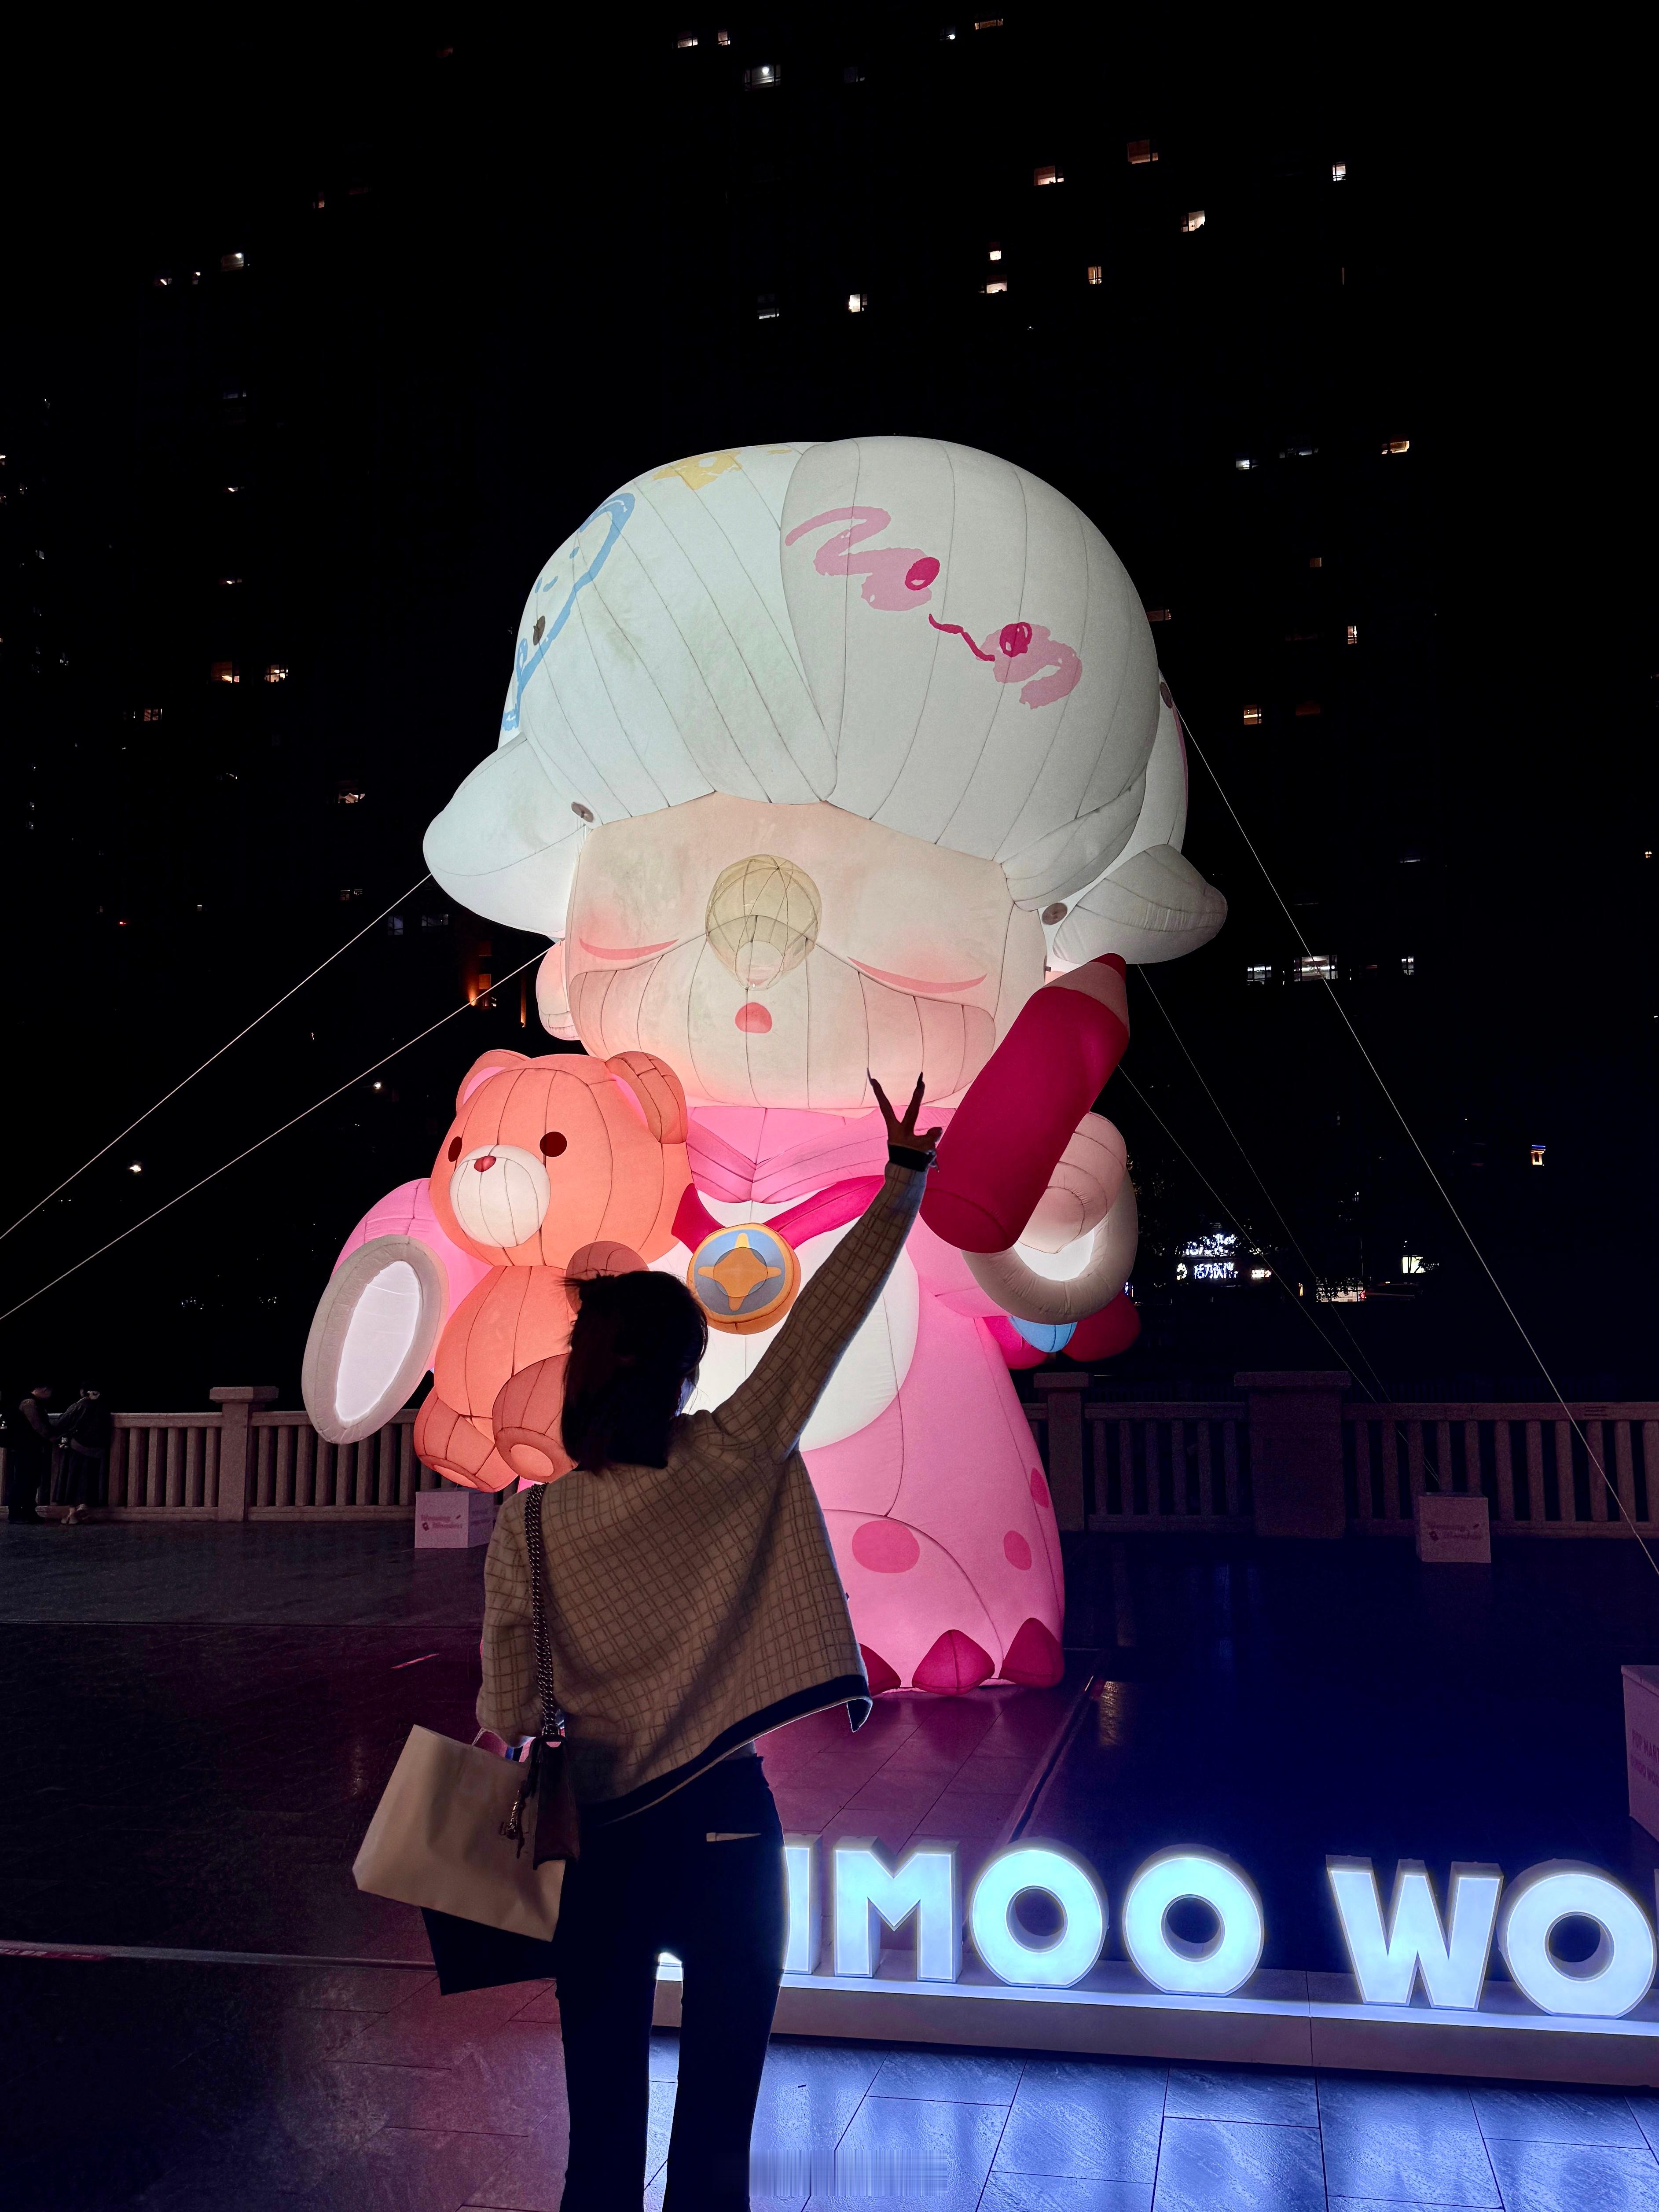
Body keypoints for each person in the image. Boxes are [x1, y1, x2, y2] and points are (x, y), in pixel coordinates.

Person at [477, 1073, 941, 2209]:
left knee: (599, 2144)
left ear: (583, 1379)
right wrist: (901, 1179)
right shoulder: (734, 1454)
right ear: (688, 1370)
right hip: (729, 1827)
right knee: (718, 2140)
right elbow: (824, 1323)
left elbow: (504, 1712)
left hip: (596, 1845)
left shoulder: (530, 1524)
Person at [53, 1385, 112, 1522]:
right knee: (89, 1478)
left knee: (71, 1478)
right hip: (96, 1451)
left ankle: (72, 1512)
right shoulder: (104, 1408)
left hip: (76, 1447)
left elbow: (62, 1423)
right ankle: (84, 1507)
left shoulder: (79, 1406)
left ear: (83, 1392)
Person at [4, 1387, 55, 1524]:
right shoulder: (30, 1403)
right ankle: (16, 1513)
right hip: (26, 1447)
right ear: (44, 1390)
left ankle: (28, 1512)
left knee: (30, 1480)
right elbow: (37, 1425)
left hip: (26, 1447)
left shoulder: (27, 1401)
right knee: (25, 1480)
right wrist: (51, 1437)